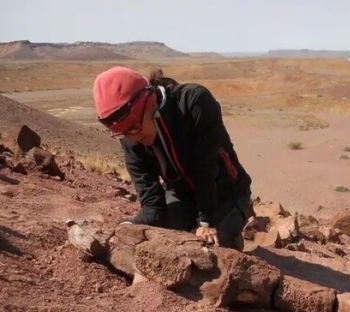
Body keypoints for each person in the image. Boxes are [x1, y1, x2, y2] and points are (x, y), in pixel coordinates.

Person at [92, 66, 253, 250]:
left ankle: (233, 236)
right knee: (165, 242)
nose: (133, 138)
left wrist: (205, 222)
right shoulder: (129, 136)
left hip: (225, 192)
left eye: (135, 128)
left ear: (150, 104)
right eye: (123, 134)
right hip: (181, 195)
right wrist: (130, 227)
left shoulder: (194, 102)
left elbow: (205, 169)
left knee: (210, 249)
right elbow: (152, 203)